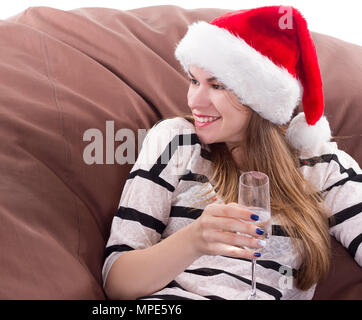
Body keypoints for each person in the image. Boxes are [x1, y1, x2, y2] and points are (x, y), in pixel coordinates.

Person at [102, 5, 362, 300]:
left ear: (259, 99)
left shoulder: (322, 165)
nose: (194, 101)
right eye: (194, 80)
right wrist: (195, 240)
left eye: (217, 85)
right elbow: (118, 282)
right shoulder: (176, 141)